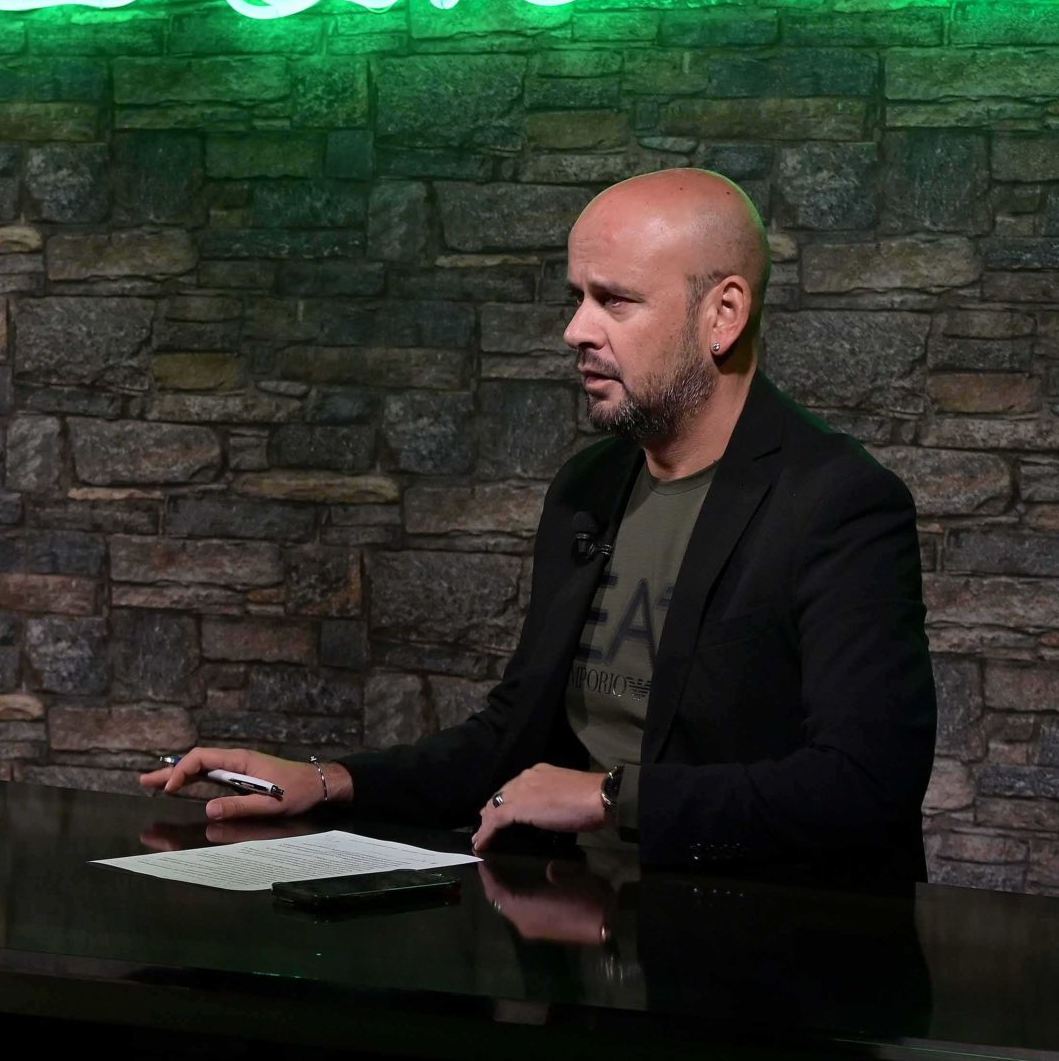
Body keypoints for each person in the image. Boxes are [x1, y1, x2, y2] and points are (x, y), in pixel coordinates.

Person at [145, 169, 935, 876]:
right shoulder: (588, 487)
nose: (577, 330)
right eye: (577, 297)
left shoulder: (837, 503)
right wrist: (330, 780)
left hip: (753, 948)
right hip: (570, 917)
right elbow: (512, 736)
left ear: (722, 313)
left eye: (615, 300)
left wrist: (609, 797)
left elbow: (864, 784)